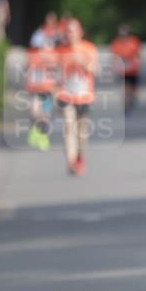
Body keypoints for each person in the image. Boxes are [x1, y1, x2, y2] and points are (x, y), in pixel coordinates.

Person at [55, 18, 99, 175]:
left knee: (81, 133)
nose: (70, 34)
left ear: (80, 32)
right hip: (66, 95)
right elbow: (54, 75)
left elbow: (96, 70)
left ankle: (80, 157)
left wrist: (83, 63)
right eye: (67, 31)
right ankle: (71, 160)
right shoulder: (60, 51)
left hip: (84, 96)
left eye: (73, 30)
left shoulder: (88, 48)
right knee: (68, 127)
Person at [25, 18, 58, 151]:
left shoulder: (54, 55)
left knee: (45, 115)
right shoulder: (33, 55)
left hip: (48, 89)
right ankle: (35, 130)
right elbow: (28, 70)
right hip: (35, 89)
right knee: (34, 112)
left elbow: (58, 72)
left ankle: (43, 136)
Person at [110, 24, 142, 112]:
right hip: (122, 69)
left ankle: (132, 97)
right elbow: (114, 56)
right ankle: (125, 102)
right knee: (124, 86)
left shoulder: (134, 41)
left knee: (132, 86)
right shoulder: (116, 42)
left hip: (132, 68)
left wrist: (137, 63)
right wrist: (114, 66)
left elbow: (138, 54)